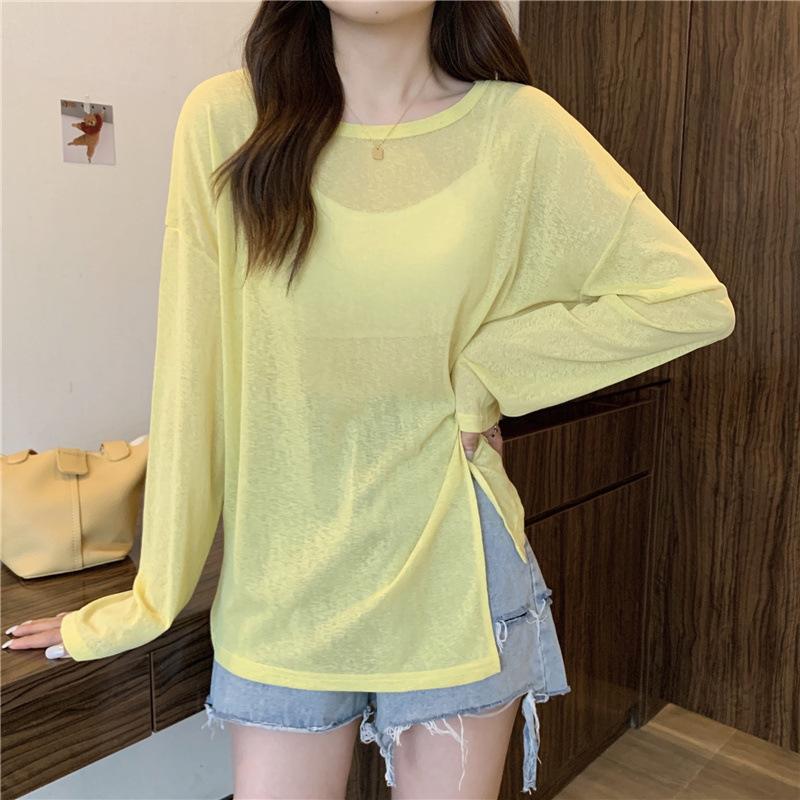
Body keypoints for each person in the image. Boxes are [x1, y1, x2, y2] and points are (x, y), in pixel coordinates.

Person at [2, 1, 736, 797]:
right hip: (282, 580)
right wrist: (149, 601)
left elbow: (686, 301)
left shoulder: (519, 130)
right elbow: (190, 376)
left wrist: (485, 372)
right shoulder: (226, 120)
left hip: (453, 567)